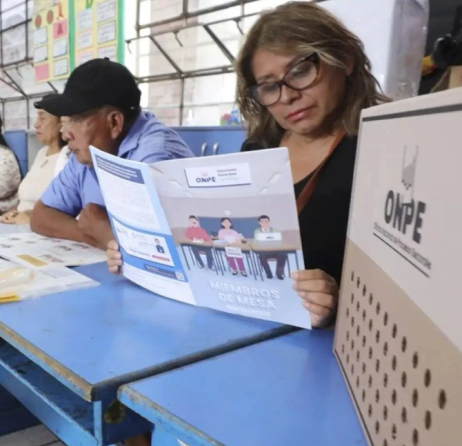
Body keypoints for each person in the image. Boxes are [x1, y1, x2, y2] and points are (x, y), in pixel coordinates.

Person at [109, 2, 387, 330]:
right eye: (269, 86)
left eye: (300, 71)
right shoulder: (258, 150)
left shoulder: (381, 150)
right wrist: (141, 255)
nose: (287, 96)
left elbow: (405, 288)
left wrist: (341, 301)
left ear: (345, 60)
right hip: (244, 328)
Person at [30, 58, 194, 249]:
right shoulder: (88, 152)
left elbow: (158, 250)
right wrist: (94, 235)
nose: (65, 134)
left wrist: (103, 231)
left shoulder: (155, 157)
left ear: (114, 122)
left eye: (75, 119)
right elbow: (41, 216)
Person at [1, 96, 70, 225]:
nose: (36, 124)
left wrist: (29, 217)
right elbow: (25, 200)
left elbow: (62, 210)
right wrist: (13, 213)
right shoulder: (41, 153)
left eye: (42, 118)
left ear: (61, 123)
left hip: (39, 227)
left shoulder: (67, 159)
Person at [254, 215, 287, 280]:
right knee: (261, 257)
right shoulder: (257, 231)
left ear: (269, 221)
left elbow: (279, 241)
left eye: (266, 221)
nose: (265, 223)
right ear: (259, 223)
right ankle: (268, 273)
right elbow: (255, 242)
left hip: (275, 250)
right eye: (262, 221)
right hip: (264, 251)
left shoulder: (275, 230)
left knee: (283, 255)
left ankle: (279, 273)